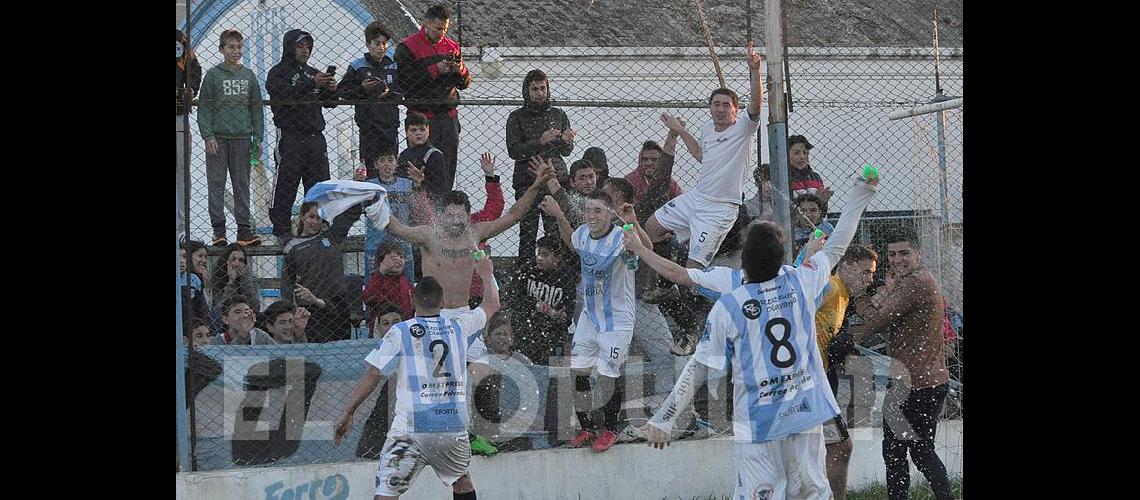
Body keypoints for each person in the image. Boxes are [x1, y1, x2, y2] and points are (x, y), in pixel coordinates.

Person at [641, 167, 881, 500]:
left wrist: (665, 418)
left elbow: (699, 366)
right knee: (812, 492)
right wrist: (861, 194)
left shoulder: (730, 300)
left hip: (758, 422)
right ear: (781, 258)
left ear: (743, 261)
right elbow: (839, 244)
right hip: (805, 412)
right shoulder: (800, 280)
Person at [333, 251, 500, 499]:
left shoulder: (401, 331)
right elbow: (491, 304)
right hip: (451, 427)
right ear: (442, 304)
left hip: (410, 428)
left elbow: (374, 373)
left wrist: (348, 412)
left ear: (412, 300)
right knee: (462, 482)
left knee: (386, 492)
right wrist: (486, 273)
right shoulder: (459, 326)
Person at [537, 190, 654, 453]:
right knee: (577, 370)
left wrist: (632, 222)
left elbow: (648, 249)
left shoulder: (621, 237)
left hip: (617, 321)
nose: (591, 215)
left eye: (597, 211)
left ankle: (610, 429)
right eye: (588, 210)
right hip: (590, 318)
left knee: (605, 374)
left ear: (610, 213)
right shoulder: (582, 233)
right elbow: (571, 241)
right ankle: (587, 427)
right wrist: (558, 215)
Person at [847, 227, 953, 500]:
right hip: (926, 381)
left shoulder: (915, 283)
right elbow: (884, 310)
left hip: (916, 384)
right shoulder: (916, 279)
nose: (897, 260)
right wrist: (884, 291)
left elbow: (875, 321)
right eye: (892, 255)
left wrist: (859, 293)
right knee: (918, 450)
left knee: (899, 452)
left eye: (904, 253)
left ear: (919, 253)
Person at [643, 42, 764, 269]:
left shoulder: (744, 128)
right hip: (697, 198)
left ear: (735, 110)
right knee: (650, 227)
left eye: (726, 105)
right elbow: (700, 154)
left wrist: (755, 70)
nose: (720, 109)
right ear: (710, 108)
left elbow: (757, 104)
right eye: (716, 104)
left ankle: (698, 293)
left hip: (720, 209)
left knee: (694, 269)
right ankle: (670, 276)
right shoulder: (708, 129)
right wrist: (679, 131)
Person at [267, 29, 339, 244]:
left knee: (318, 185)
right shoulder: (278, 73)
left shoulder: (313, 73)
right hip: (290, 136)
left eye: (308, 46)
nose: (305, 50)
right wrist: (313, 84)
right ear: (290, 47)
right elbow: (284, 96)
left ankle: (318, 225)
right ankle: (281, 228)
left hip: (315, 136)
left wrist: (331, 89)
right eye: (300, 46)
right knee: (286, 182)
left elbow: (330, 103)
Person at [198, 29, 264, 246]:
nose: (235, 51)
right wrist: (208, 136)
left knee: (242, 183)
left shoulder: (248, 76)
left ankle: (244, 230)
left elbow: (256, 108)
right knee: (216, 183)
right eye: (231, 47)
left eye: (238, 47)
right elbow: (205, 108)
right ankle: (219, 231)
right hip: (218, 138)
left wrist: (258, 138)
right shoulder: (213, 75)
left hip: (242, 138)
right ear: (222, 49)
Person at [395, 4, 471, 194]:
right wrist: (435, 69)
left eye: (445, 29)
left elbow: (464, 83)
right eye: (438, 28)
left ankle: (445, 207)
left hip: (448, 118)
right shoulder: (408, 47)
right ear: (426, 24)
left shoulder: (452, 46)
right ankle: (421, 212)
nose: (442, 33)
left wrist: (459, 70)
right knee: (418, 167)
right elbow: (404, 81)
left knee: (447, 168)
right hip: (421, 117)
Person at [506, 69, 576, 264]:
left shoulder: (558, 114)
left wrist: (566, 140)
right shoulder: (516, 117)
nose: (539, 93)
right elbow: (514, 151)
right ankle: (525, 277)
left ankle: (558, 275)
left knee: (556, 232)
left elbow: (566, 151)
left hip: (556, 180)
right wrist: (540, 142)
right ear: (526, 91)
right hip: (527, 182)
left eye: (543, 88)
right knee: (527, 234)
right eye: (534, 89)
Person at [282, 202, 351, 343]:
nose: (315, 222)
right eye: (311, 217)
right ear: (302, 217)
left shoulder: (332, 237)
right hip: (311, 308)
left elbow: (350, 215)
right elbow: (287, 282)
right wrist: (290, 310)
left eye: (319, 218)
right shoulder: (292, 246)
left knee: (343, 351)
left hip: (338, 305)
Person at [339, 21, 401, 174]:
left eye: (385, 43)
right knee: (371, 171)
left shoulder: (393, 66)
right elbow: (342, 91)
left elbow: (403, 90)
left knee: (390, 171)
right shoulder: (357, 66)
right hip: (368, 128)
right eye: (377, 43)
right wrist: (362, 88)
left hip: (390, 126)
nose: (381, 48)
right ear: (368, 44)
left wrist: (389, 93)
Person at [176, 29, 202, 235]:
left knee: (182, 170)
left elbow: (195, 68)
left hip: (178, 115)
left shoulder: (180, 38)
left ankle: (181, 225)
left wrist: (191, 88)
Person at [362, 241, 415, 336]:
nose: (398, 260)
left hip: (405, 327)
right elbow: (368, 298)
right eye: (393, 258)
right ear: (381, 261)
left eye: (401, 257)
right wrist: (381, 273)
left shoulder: (405, 281)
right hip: (384, 330)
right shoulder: (378, 278)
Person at [787, 134, 834, 209]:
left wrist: (823, 201)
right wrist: (815, 200)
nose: (802, 157)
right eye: (796, 153)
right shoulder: (783, 178)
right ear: (786, 156)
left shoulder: (815, 177)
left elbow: (822, 212)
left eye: (805, 153)